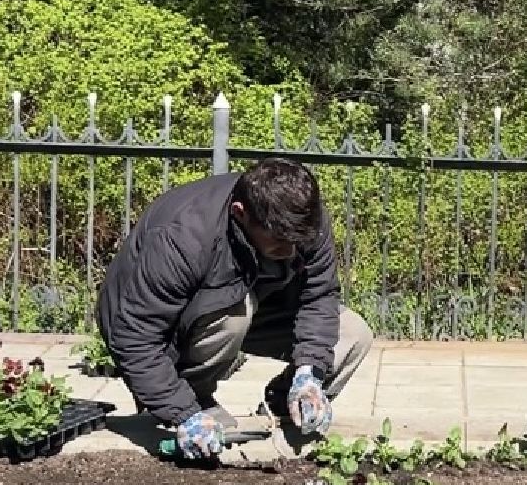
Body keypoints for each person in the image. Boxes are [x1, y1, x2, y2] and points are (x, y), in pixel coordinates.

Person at [96, 158, 371, 459]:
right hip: (157, 323)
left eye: (298, 241)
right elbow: (134, 337)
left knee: (353, 334)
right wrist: (182, 412)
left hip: (252, 302)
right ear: (240, 214)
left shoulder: (303, 220)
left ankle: (284, 410)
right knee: (235, 314)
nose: (292, 251)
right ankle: (192, 402)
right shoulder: (184, 236)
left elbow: (318, 297)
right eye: (280, 242)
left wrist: (309, 375)